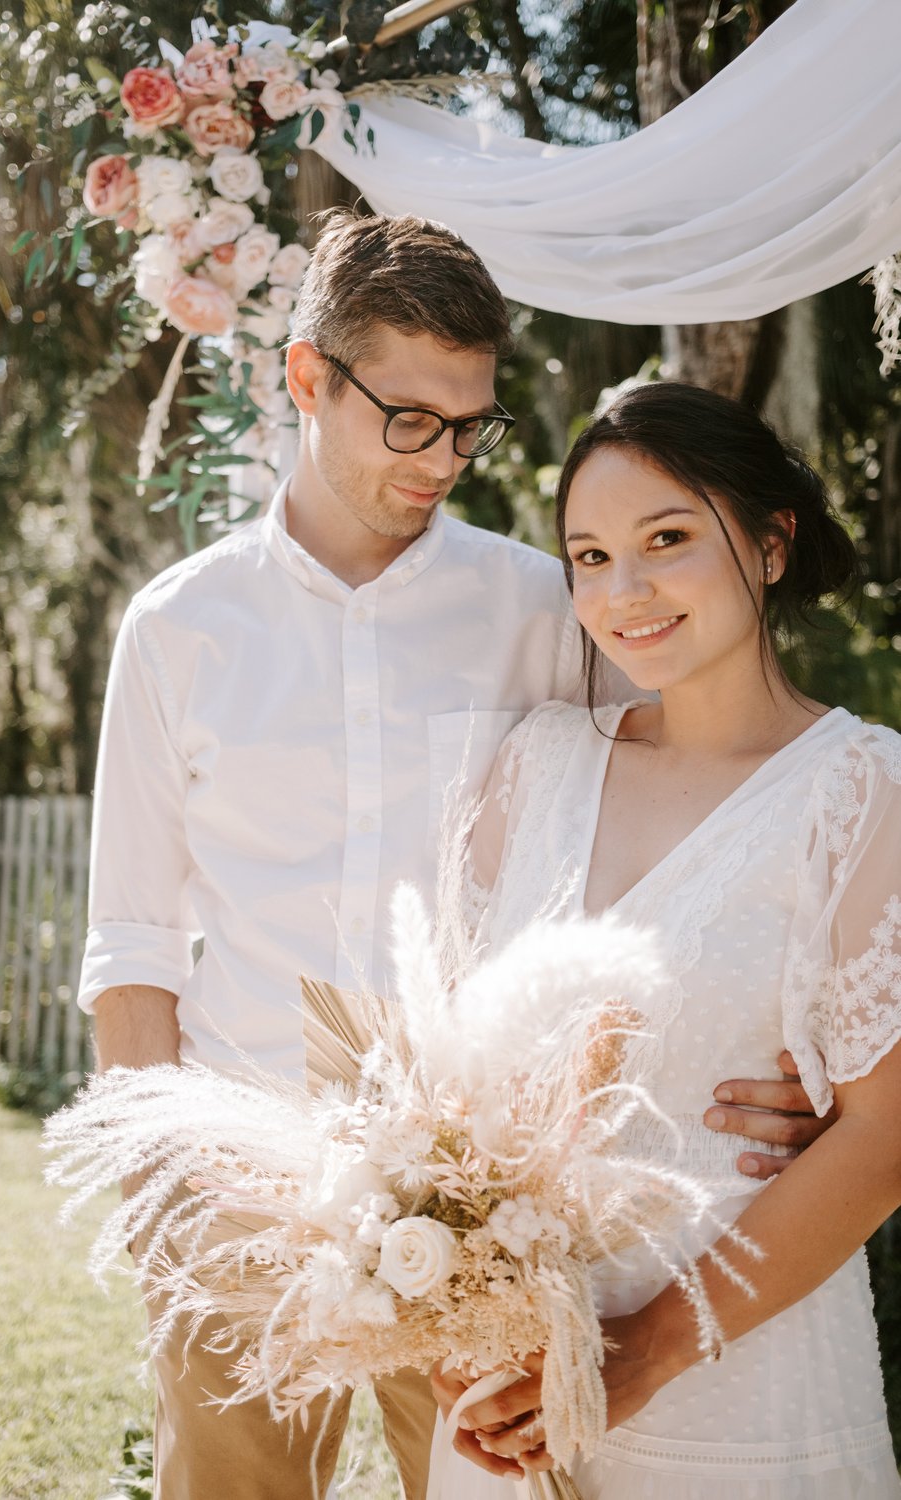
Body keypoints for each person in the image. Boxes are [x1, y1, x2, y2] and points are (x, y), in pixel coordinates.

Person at [78, 217, 827, 1500]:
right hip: (241, 1185)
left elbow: (688, 827)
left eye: (469, 424)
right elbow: (132, 943)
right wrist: (166, 1206)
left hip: (492, 1207)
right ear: (309, 379)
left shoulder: (552, 603)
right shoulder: (177, 630)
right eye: (409, 418)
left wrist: (792, 1050)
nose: (444, 458)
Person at [432, 381, 901, 1498]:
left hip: (736, 1384)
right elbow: (445, 1077)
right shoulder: (534, 764)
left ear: (771, 544)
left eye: (668, 539)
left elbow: (883, 1137)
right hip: (508, 1393)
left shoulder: (858, 788)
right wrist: (460, 1313)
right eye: (589, 556)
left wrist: (639, 1354)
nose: (622, 590)